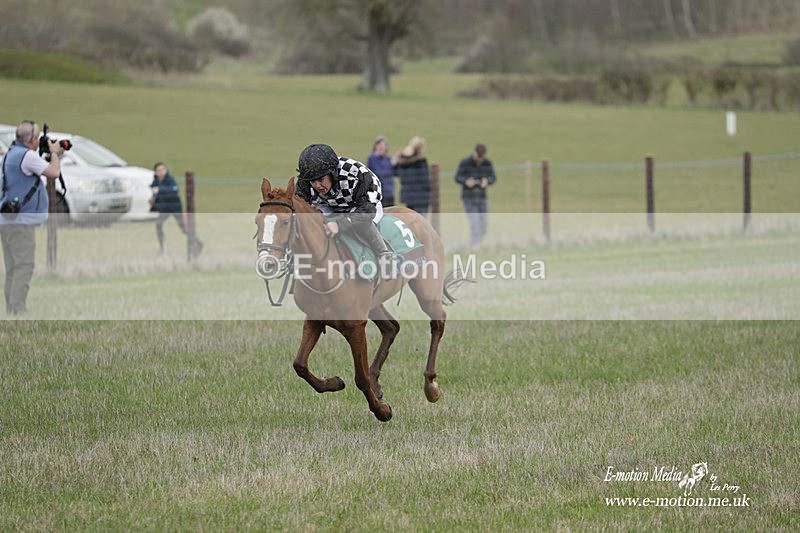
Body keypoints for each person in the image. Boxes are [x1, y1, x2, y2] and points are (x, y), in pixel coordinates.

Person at [295, 143, 396, 270]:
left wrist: (339, 224)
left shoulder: (355, 174)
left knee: (362, 224)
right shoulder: (305, 180)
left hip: (362, 205)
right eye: (313, 182)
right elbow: (298, 209)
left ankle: (384, 254)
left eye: (321, 180)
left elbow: (367, 211)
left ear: (332, 173)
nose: (317, 186)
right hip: (329, 204)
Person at [0, 120, 64, 314]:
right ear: (33, 140)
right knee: (24, 266)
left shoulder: (10, 153)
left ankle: (11, 309)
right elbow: (54, 172)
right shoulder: (27, 156)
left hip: (8, 221)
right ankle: (18, 309)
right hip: (21, 223)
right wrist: (55, 153)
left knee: (13, 267)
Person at [150, 162, 201, 256]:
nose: (160, 172)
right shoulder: (155, 181)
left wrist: (160, 190)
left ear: (166, 170)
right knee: (158, 224)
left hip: (175, 207)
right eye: (158, 170)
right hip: (165, 209)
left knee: (184, 228)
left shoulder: (170, 180)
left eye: (162, 170)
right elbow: (154, 194)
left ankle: (198, 242)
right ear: (155, 172)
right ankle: (162, 247)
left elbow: (173, 190)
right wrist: (153, 200)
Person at [455, 143, 496, 247]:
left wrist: (487, 181)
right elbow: (457, 177)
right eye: (478, 156)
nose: (479, 159)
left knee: (484, 223)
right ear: (474, 153)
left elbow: (493, 177)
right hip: (468, 197)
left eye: (481, 157)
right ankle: (475, 245)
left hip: (482, 197)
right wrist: (466, 181)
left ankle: (480, 242)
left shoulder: (487, 163)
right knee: (475, 222)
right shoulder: (465, 163)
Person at [394, 136, 430, 217]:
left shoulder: (402, 162)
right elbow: (425, 180)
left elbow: (397, 173)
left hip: (409, 197)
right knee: (421, 220)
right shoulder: (420, 162)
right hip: (421, 197)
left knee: (411, 220)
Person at [366, 135, 396, 208]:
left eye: (384, 146)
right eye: (380, 145)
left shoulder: (387, 159)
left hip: (389, 192)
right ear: (375, 146)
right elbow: (379, 173)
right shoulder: (372, 158)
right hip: (379, 192)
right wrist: (391, 164)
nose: (382, 148)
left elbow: (395, 172)